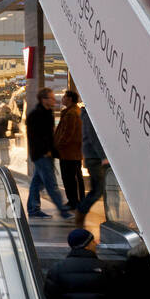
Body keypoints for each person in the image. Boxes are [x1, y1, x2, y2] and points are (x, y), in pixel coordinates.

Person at [27, 87, 74, 219]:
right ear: (44, 100)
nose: (54, 100)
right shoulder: (36, 115)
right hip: (42, 154)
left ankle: (33, 208)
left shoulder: (48, 113)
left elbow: (49, 134)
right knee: (51, 183)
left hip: (47, 154)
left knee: (37, 182)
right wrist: (45, 151)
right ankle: (63, 211)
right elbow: (35, 137)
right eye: (51, 98)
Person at [76, 107, 108, 226]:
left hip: (96, 157)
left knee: (100, 189)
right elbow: (94, 137)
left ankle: (82, 212)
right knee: (98, 190)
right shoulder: (90, 114)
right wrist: (103, 156)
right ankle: (81, 212)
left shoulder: (91, 113)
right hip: (94, 158)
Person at [54, 90, 84, 209]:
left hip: (68, 152)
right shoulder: (73, 112)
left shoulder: (71, 114)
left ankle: (73, 202)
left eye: (64, 97)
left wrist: (59, 144)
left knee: (69, 177)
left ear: (70, 99)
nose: (62, 99)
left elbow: (67, 133)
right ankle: (78, 201)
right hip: (73, 151)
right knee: (75, 176)